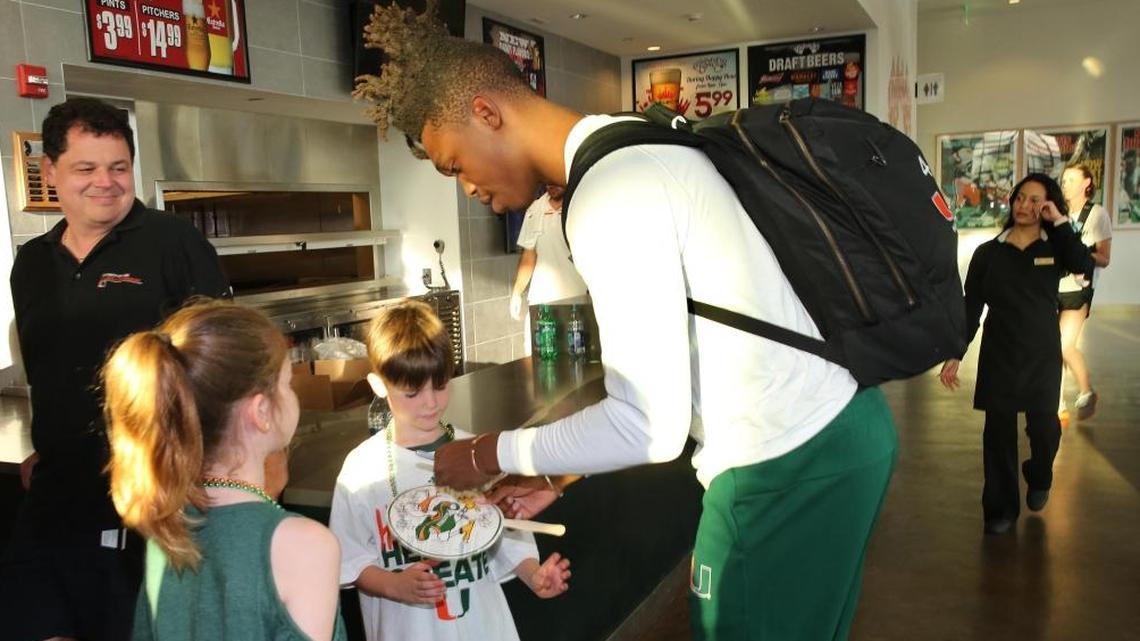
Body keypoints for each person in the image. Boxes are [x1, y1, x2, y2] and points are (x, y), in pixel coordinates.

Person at [352, 6, 897, 640]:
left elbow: (648, 428)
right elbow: (675, 381)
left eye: (454, 164)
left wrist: (485, 452)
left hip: (787, 462)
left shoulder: (612, 191)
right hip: (832, 434)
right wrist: (555, 473)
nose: (466, 187)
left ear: (486, 113)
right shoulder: (634, 144)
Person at [0, 97, 231, 641]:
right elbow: (48, 363)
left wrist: (219, 464)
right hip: (60, 489)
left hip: (156, 487)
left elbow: (225, 360)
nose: (105, 182)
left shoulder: (173, 243)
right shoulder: (31, 263)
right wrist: (50, 440)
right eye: (86, 168)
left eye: (118, 167)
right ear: (50, 170)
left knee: (131, 628)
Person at [103, 300, 347, 639]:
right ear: (261, 411)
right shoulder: (306, 545)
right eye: (287, 383)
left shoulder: (167, 526)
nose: (293, 396)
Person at [328, 300, 570, 641]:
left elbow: (509, 537)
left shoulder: (478, 454)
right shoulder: (361, 471)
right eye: (412, 392)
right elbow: (351, 558)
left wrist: (534, 576)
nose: (430, 403)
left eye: (440, 385)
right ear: (379, 384)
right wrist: (395, 586)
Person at [939, 174, 1094, 536]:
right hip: (1000, 353)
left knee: (1044, 429)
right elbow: (971, 305)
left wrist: (1059, 222)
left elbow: (1083, 264)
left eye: (1035, 200)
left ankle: (1040, 474)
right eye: (1020, 198)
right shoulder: (988, 253)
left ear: (1047, 205)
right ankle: (1000, 510)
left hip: (1041, 353)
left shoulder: (1054, 247)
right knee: (998, 435)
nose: (1024, 206)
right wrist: (956, 352)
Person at [1056, 163, 1112, 423]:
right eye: (1063, 179)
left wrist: (1078, 254)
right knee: (1051, 347)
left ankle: (1087, 391)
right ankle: (1056, 402)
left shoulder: (1097, 214)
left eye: (1071, 179)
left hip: (1078, 290)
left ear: (1086, 184)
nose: (1064, 183)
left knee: (1064, 345)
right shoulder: (1059, 213)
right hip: (1052, 287)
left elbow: (1104, 258)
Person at [508, 184, 587, 353]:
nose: (551, 185)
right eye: (547, 181)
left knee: (575, 360)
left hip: (576, 303)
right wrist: (517, 292)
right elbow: (529, 256)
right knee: (538, 358)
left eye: (555, 180)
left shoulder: (580, 205)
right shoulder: (535, 210)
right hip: (542, 303)